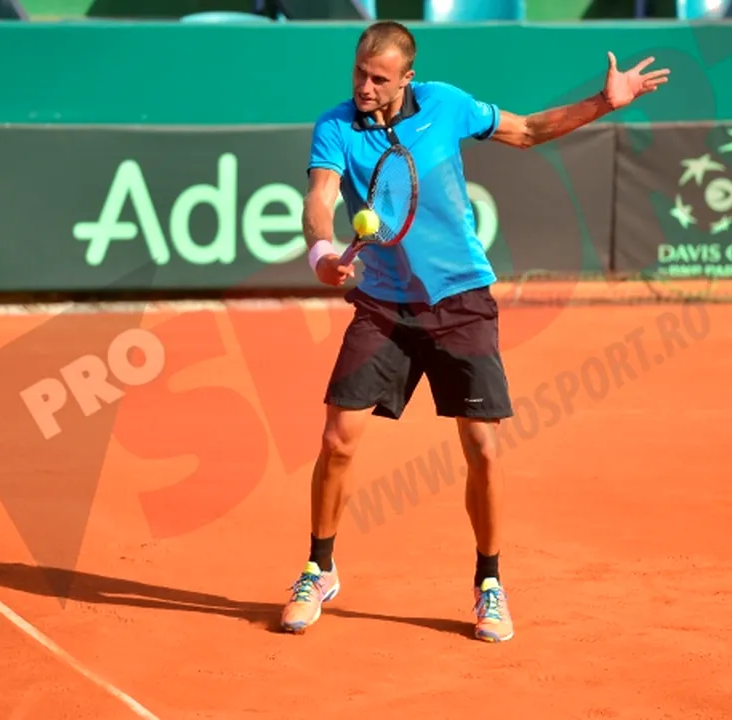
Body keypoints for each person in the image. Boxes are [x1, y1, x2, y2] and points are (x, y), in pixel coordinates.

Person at [281, 20, 669, 642]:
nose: (365, 86)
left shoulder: (447, 105)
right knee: (336, 441)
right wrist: (321, 253)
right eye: (359, 73)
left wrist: (604, 103)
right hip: (383, 305)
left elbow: (529, 131)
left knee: (483, 449)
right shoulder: (335, 127)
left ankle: (489, 583)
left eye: (379, 78)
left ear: (407, 78)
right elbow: (319, 196)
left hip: (461, 302)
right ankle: (317, 568)